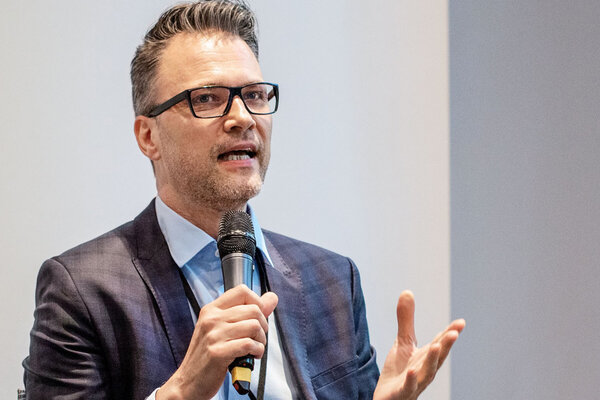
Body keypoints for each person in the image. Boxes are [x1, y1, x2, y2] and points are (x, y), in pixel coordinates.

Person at [23, 1, 465, 399]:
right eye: (207, 99)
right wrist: (181, 392)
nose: (242, 118)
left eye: (253, 95)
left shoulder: (333, 282)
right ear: (148, 136)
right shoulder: (83, 291)